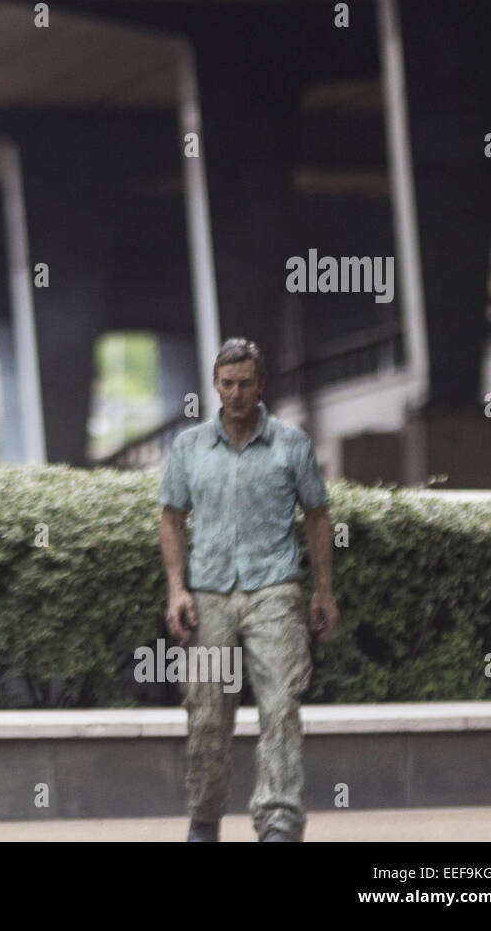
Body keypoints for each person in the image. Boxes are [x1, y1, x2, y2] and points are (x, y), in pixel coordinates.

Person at [156, 337, 338, 842]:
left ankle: (279, 822)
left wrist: (323, 591)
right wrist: (177, 590)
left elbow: (319, 517)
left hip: (275, 591)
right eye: (227, 383)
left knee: (281, 706)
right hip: (209, 594)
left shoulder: (291, 445)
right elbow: (170, 519)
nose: (236, 393)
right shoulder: (189, 447)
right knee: (208, 713)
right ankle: (205, 818)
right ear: (215, 385)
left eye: (245, 383)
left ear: (261, 385)